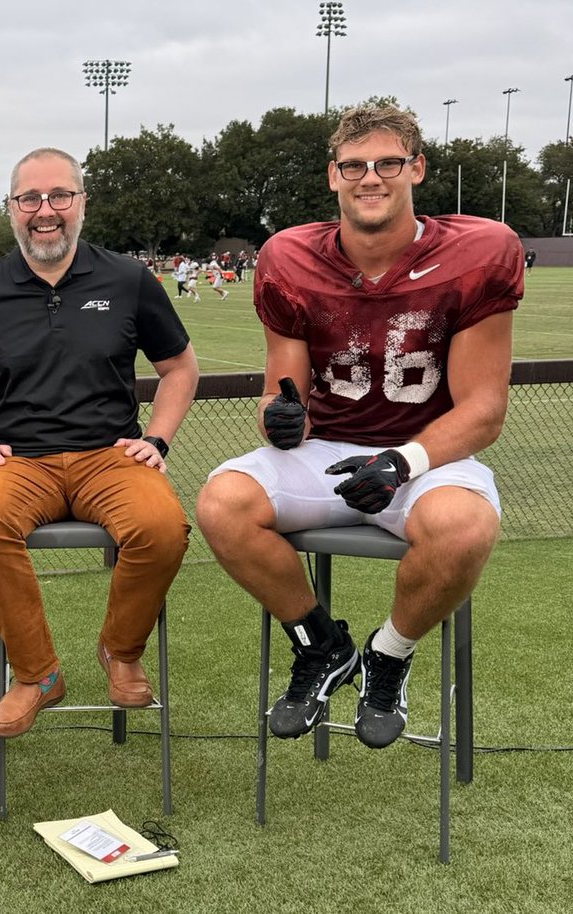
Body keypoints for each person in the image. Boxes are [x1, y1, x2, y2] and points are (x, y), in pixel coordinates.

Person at [195, 104, 523, 750]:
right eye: (354, 166)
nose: (370, 177)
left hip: (425, 454)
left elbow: (483, 410)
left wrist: (402, 462)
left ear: (417, 168)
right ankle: (321, 645)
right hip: (329, 452)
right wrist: (281, 420)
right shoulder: (290, 257)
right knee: (221, 504)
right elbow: (279, 398)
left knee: (465, 528)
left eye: (387, 163)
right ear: (333, 176)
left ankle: (388, 654)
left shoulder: (478, 251)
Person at [0, 147, 199, 738]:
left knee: (162, 526)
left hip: (110, 456)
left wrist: (157, 438)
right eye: (30, 199)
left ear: (81, 203)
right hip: (21, 460)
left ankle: (121, 651)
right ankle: (36, 674)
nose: (45, 211)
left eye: (59, 196)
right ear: (11, 208)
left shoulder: (128, 279)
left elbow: (179, 367)